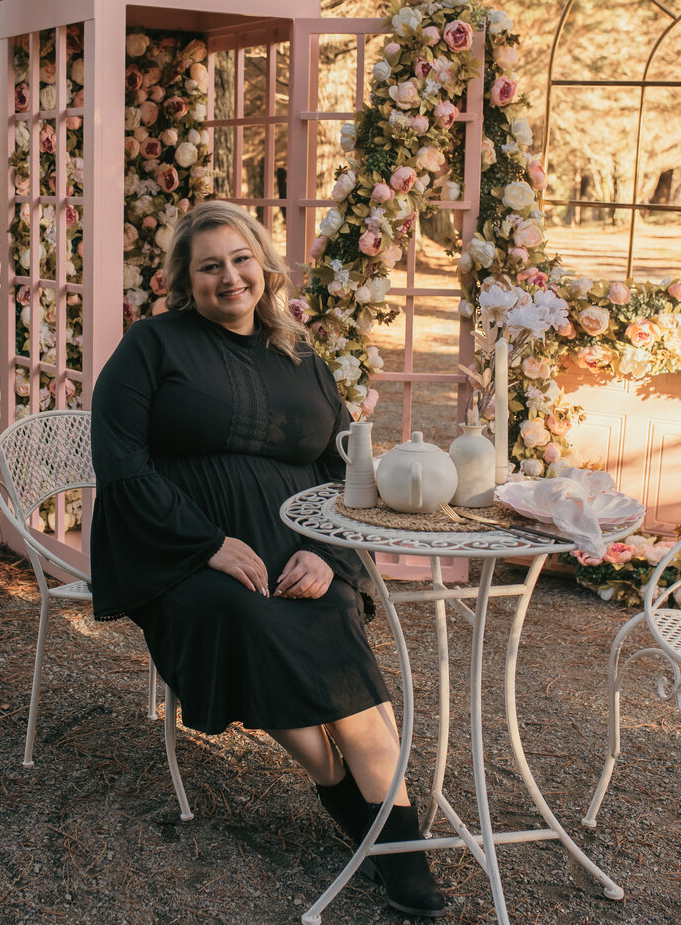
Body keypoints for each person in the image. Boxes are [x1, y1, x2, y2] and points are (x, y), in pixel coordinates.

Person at [90, 200, 445, 918]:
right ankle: (346, 795)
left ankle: (399, 850)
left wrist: (322, 551)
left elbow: (341, 469)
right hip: (182, 551)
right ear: (185, 282)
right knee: (240, 616)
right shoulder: (152, 346)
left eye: (241, 260)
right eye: (210, 267)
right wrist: (208, 545)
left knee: (334, 630)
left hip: (302, 552)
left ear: (266, 266)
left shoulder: (302, 356)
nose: (231, 278)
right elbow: (121, 466)